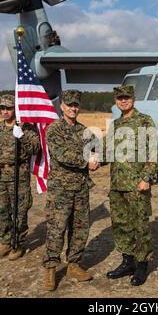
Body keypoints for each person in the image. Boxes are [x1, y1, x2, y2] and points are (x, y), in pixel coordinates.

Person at [42, 90, 99, 291]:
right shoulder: (54, 129)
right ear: (62, 106)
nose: (73, 108)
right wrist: (87, 161)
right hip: (61, 189)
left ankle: (73, 264)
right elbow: (62, 155)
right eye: (69, 105)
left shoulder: (85, 130)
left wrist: (97, 157)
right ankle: (50, 268)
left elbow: (96, 149)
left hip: (81, 188)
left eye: (76, 105)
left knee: (80, 228)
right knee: (56, 229)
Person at [103, 85, 158, 286]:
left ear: (133, 98)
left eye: (126, 97)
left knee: (140, 226)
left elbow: (153, 153)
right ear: (116, 101)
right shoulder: (117, 124)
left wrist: (146, 178)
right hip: (117, 185)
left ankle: (142, 264)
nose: (123, 101)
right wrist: (91, 158)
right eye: (119, 98)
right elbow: (106, 150)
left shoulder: (144, 121)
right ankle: (128, 261)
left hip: (137, 185)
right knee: (121, 225)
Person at [0, 94, 40, 260]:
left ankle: (18, 243)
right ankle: (6, 241)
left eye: (9, 108)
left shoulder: (26, 128)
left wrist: (22, 136)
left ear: (15, 109)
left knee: (20, 210)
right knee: (1, 210)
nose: (5, 111)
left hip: (19, 175)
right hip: (0, 175)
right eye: (3, 108)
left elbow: (35, 149)